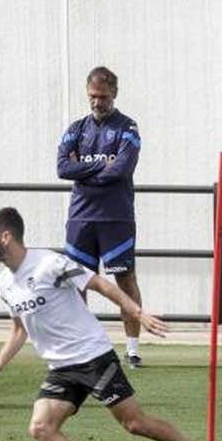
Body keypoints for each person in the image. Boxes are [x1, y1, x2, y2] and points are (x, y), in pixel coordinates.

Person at [0, 207, 222, 441]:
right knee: (41, 428)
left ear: (6, 236)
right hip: (60, 367)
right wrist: (0, 363)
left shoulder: (50, 263)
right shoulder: (4, 283)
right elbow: (19, 329)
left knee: (135, 423)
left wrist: (138, 313)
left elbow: (100, 284)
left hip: (93, 357)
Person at [56, 67, 147, 367]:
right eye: (93, 97)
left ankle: (132, 349)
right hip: (81, 218)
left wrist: (83, 167)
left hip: (116, 218)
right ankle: (86, 347)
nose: (97, 102)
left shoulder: (128, 128)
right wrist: (99, 167)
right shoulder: (75, 129)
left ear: (114, 94)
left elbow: (121, 169)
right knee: (78, 283)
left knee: (125, 280)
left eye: (103, 97)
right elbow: (62, 169)